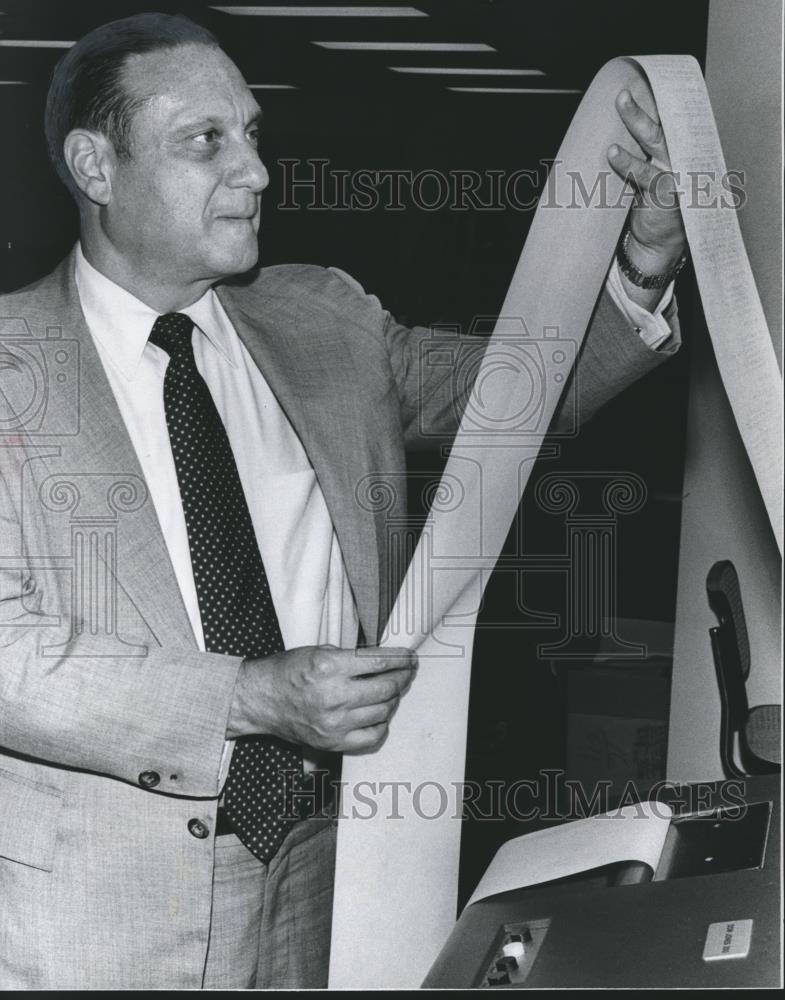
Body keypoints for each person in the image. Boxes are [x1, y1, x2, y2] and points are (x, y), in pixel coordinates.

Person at [0, 12, 686, 991]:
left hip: (327, 873)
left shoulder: (324, 321)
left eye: (251, 133)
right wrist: (250, 694)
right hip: (89, 912)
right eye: (207, 141)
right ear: (93, 166)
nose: (255, 170)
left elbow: (521, 393)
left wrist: (639, 267)